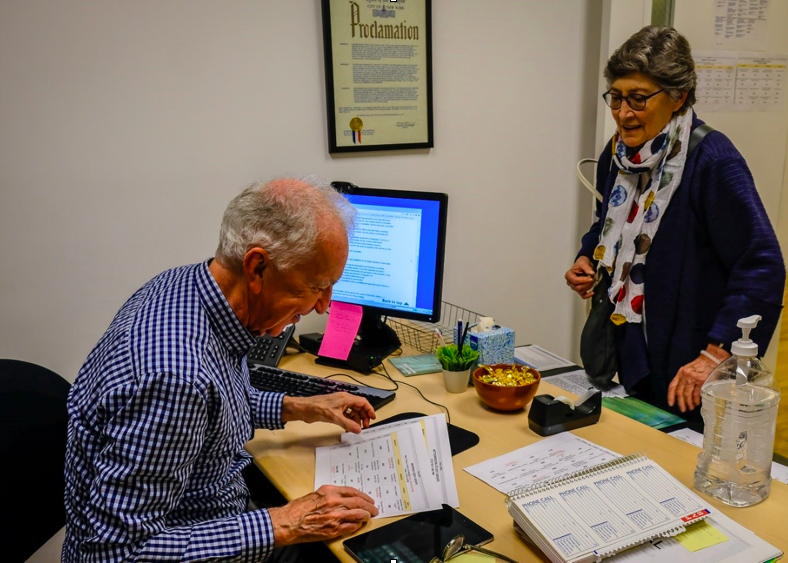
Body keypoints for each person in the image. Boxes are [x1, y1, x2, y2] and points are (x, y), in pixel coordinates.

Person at [63, 177, 379, 562]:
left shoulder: (185, 286)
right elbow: (116, 554)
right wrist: (286, 523)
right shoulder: (175, 379)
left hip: (213, 510)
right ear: (258, 267)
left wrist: (300, 406)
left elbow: (215, 408)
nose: (323, 306)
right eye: (316, 286)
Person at [565, 26, 785, 417]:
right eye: (615, 98)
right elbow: (610, 224)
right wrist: (588, 256)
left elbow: (762, 266)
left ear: (678, 97)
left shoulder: (713, 161)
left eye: (637, 99)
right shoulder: (616, 154)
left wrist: (717, 353)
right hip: (627, 346)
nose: (623, 113)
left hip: (688, 363)